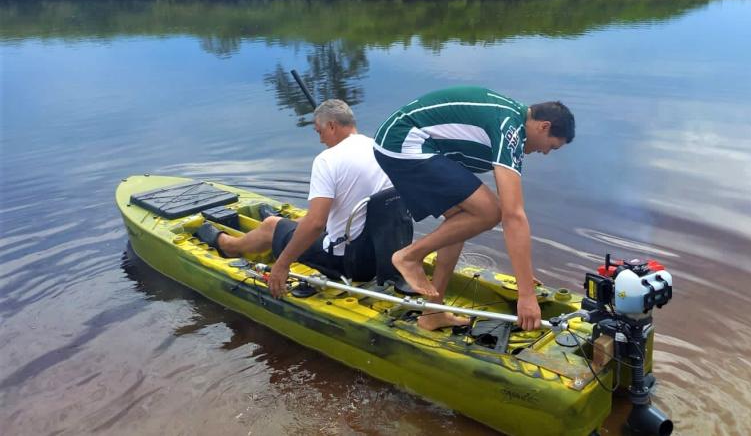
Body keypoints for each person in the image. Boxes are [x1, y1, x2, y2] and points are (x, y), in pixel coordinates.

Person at [373, 86, 575, 331]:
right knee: (490, 211)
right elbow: (513, 215)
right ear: (544, 126)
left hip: (418, 145)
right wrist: (526, 294)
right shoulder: (510, 129)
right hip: (403, 142)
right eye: (551, 146)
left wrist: (522, 273)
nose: (545, 152)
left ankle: (432, 312)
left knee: (462, 221)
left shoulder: (512, 120)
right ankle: (410, 256)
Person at [194, 99, 397, 298]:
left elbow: (316, 224)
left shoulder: (328, 160)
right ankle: (286, 225)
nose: (321, 140)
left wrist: (282, 264)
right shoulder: (379, 148)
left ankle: (229, 246)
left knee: (271, 225)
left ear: (332, 126)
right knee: (312, 217)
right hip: (385, 255)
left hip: (348, 263)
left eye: (319, 132)